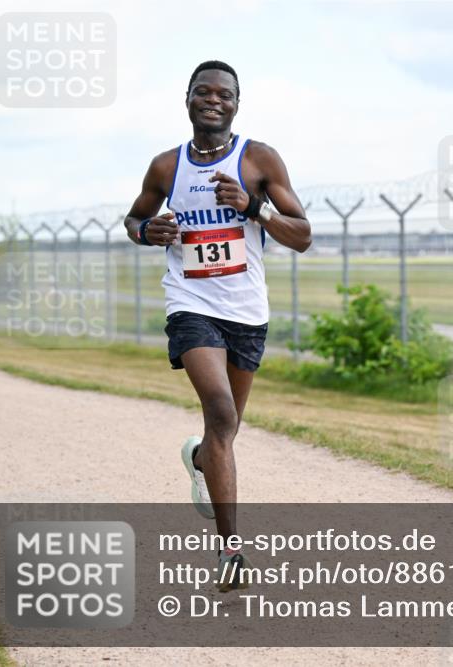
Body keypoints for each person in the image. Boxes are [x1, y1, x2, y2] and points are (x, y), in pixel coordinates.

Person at [123, 60, 311, 591]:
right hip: (190, 302)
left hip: (246, 312)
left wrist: (255, 208)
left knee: (224, 432)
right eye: (202, 92)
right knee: (221, 412)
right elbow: (133, 218)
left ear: (236, 103)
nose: (213, 100)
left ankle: (202, 459)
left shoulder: (258, 159)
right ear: (187, 99)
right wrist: (147, 232)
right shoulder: (166, 167)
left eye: (223, 94)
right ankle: (231, 553)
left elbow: (302, 235)